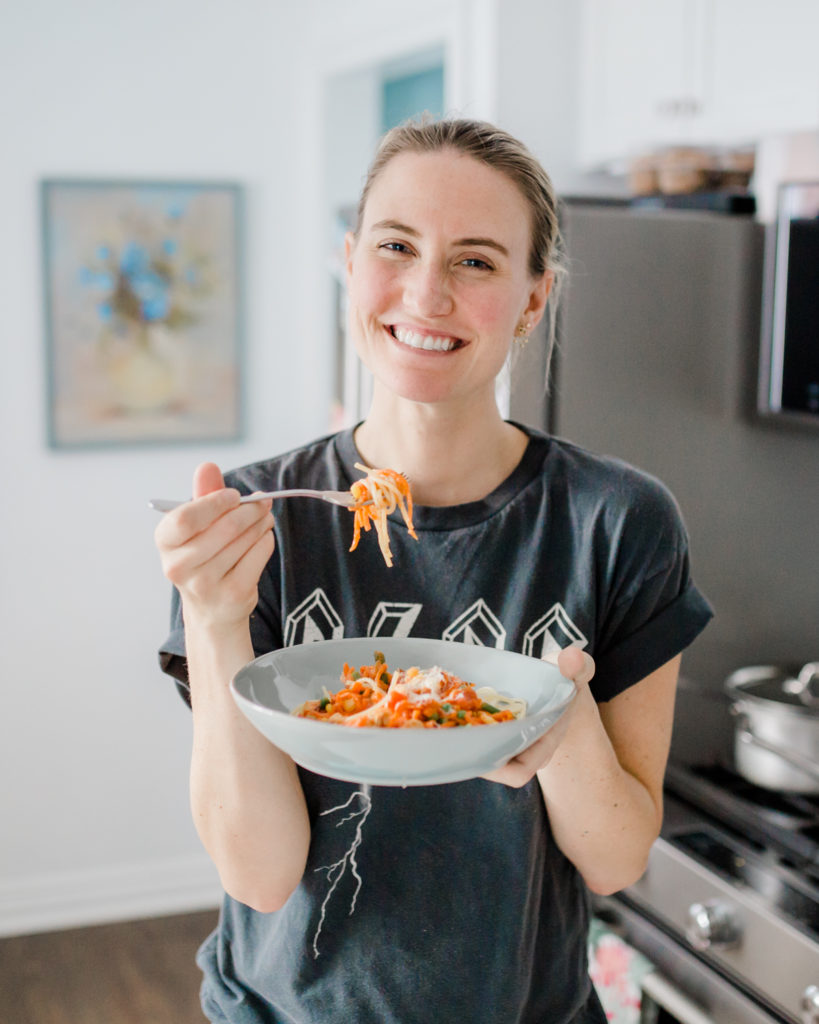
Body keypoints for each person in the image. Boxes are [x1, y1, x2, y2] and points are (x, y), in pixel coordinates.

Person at [155, 117, 712, 1024]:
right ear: (350, 261)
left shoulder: (617, 520)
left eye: (477, 262)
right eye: (396, 246)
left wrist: (561, 724)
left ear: (534, 300)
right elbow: (258, 876)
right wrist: (215, 619)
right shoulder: (254, 523)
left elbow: (615, 862)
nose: (425, 293)